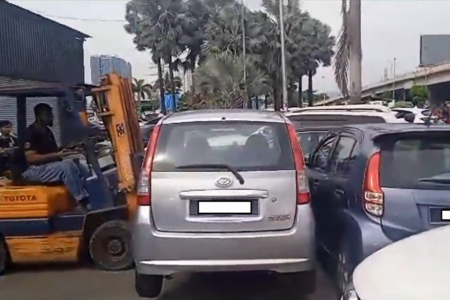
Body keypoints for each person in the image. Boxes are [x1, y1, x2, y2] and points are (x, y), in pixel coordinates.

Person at [21, 103, 90, 212]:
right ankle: (82, 201)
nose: (52, 117)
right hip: (32, 170)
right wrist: (58, 155)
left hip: (45, 167)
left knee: (79, 166)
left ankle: (90, 196)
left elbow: (51, 150)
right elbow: (31, 158)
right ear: (39, 116)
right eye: (48, 115)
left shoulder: (46, 131)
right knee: (66, 166)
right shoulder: (30, 133)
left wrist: (69, 147)